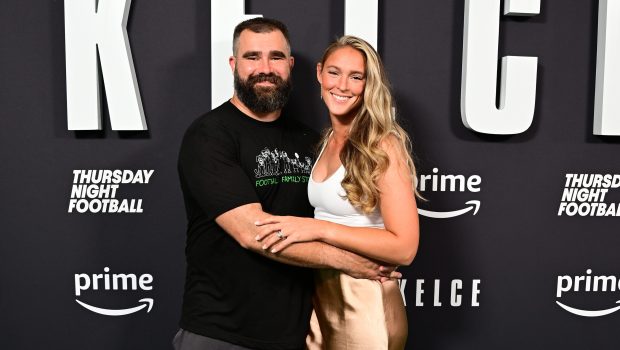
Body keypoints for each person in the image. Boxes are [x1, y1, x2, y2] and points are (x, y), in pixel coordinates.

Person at [175, 19, 399, 350]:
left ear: (291, 65)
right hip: (222, 333)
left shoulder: (313, 141)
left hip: (300, 334)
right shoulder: (210, 136)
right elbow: (255, 234)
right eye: (252, 57)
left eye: (276, 57)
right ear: (234, 65)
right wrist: (349, 262)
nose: (265, 68)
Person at [255, 36, 420, 350]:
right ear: (319, 73)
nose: (342, 85)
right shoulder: (326, 140)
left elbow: (405, 247)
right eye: (334, 72)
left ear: (367, 84)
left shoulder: (383, 145)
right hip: (321, 298)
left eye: (356, 76)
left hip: (366, 301)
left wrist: (318, 229)